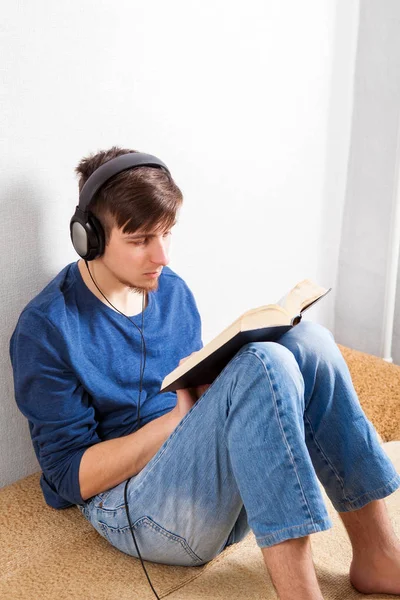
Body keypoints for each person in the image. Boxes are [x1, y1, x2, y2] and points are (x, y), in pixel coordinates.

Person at [9, 146, 400, 600]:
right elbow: (69, 479)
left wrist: (217, 392)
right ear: (89, 238)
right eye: (140, 241)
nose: (162, 256)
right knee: (264, 364)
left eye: (167, 233)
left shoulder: (171, 291)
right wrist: (175, 423)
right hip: (132, 510)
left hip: (216, 494)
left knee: (309, 341)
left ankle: (377, 555)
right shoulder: (47, 328)